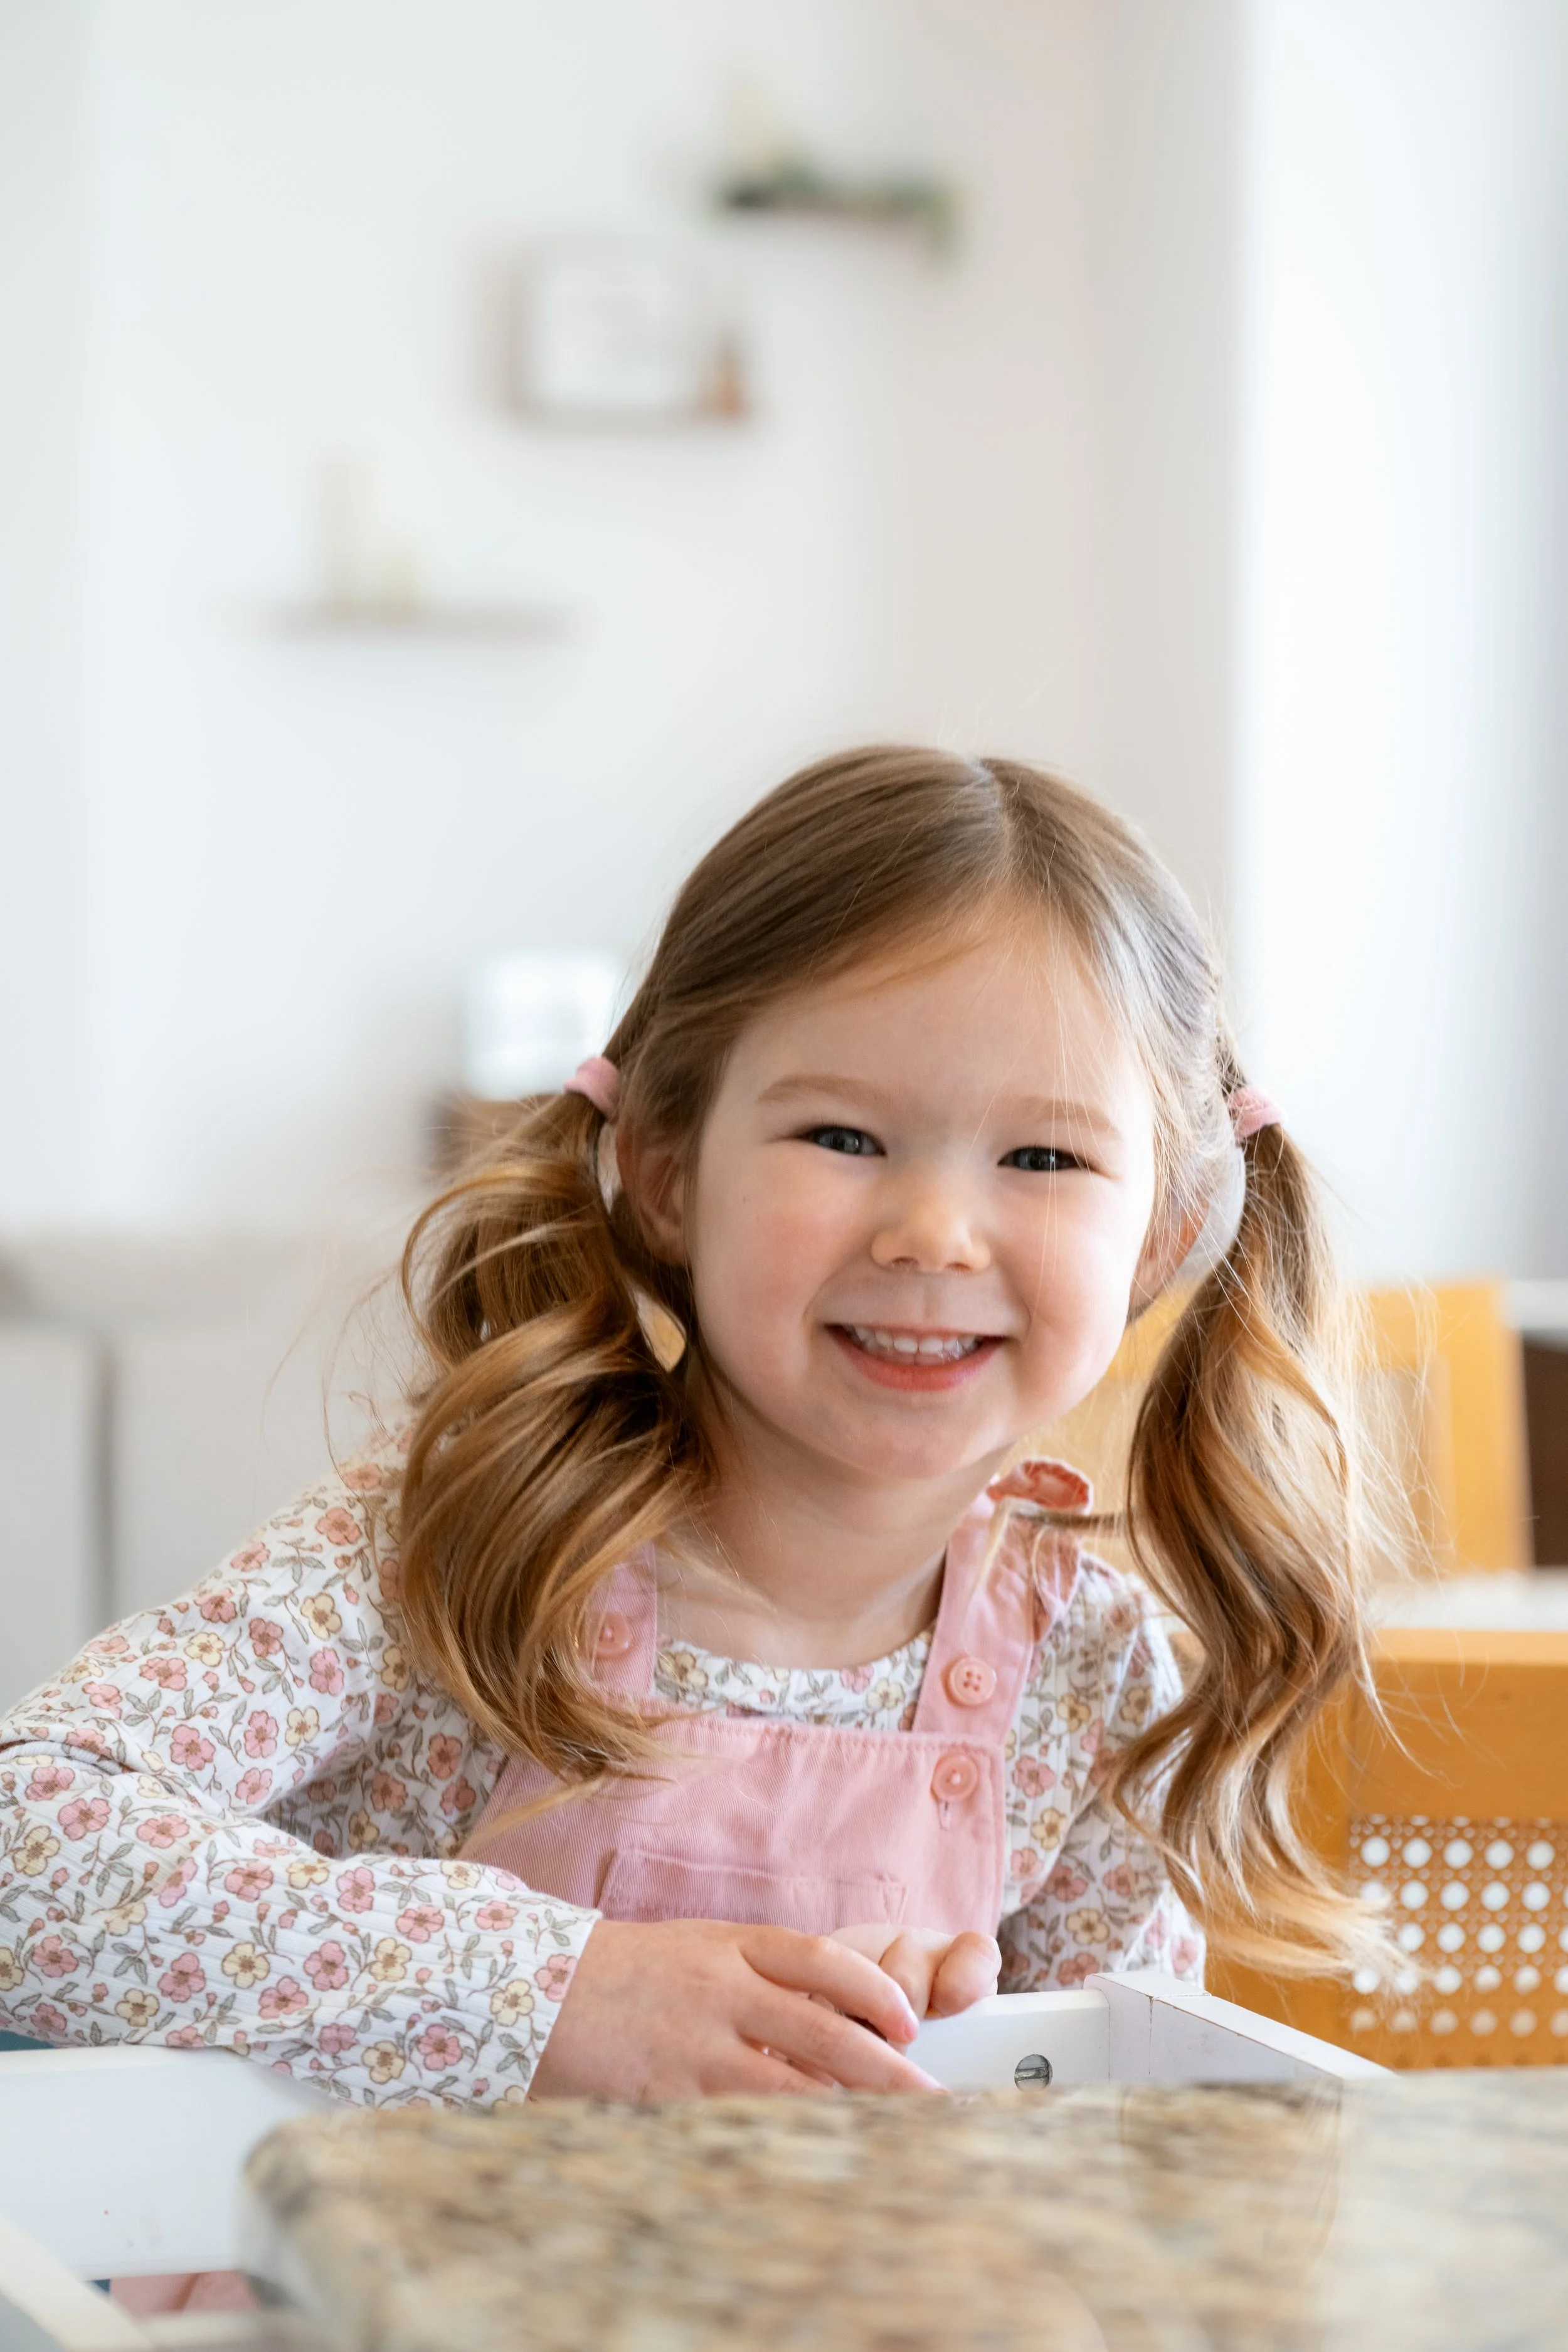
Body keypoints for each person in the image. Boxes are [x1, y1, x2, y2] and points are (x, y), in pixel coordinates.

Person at [0, 748, 1382, 2109]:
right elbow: (27, 1848)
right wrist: (555, 1995)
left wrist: (949, 2084)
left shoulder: (1093, 1672)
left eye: (1041, 1159)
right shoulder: (459, 1543)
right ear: (665, 1176)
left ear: (1161, 1234)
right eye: (841, 1136)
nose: (932, 1234)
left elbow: (1108, 2162)